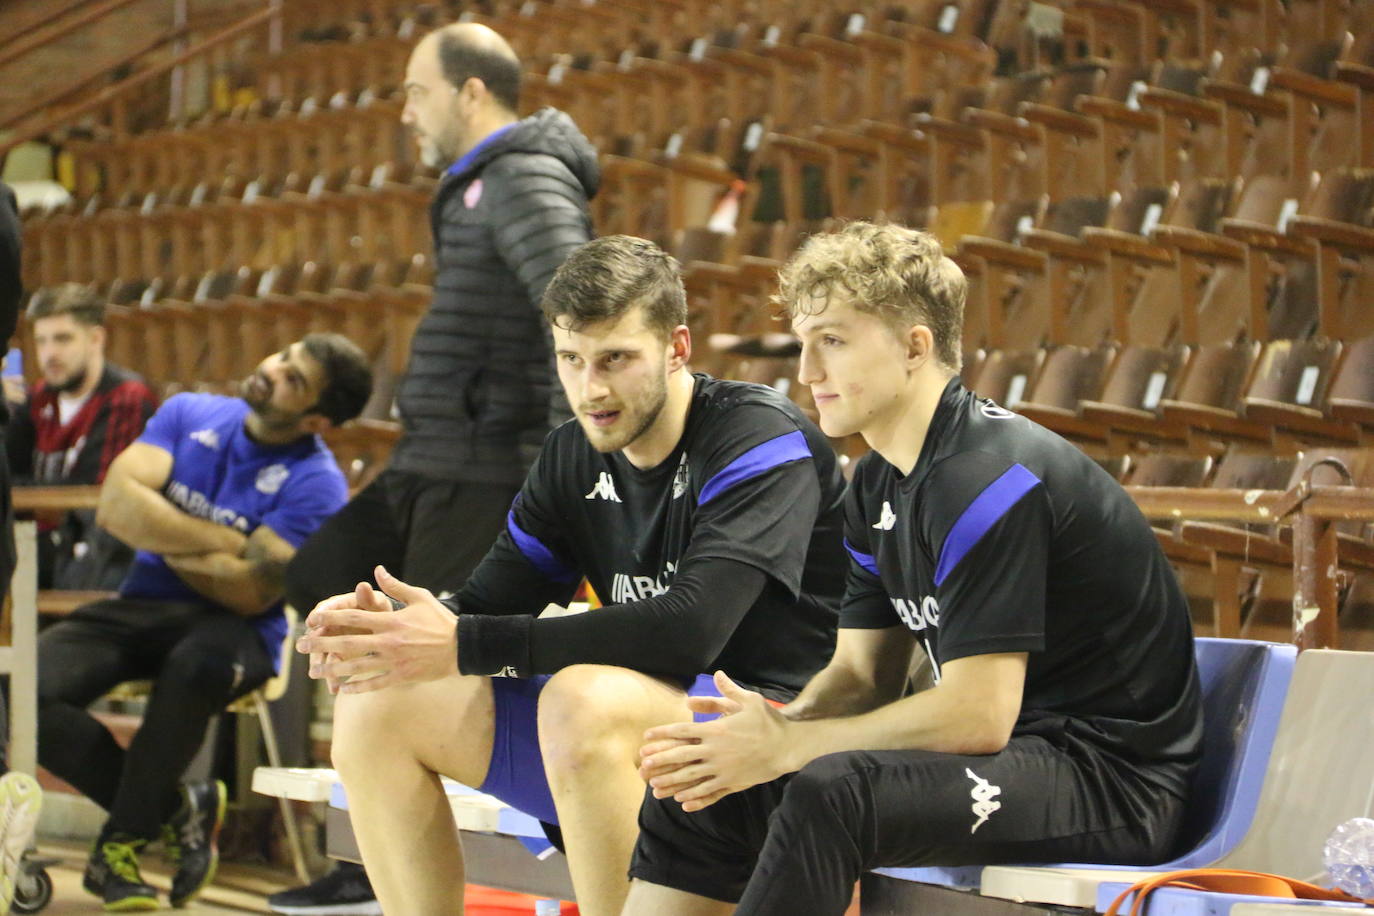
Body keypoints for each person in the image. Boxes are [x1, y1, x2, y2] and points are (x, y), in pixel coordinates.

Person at [623, 222, 1205, 916]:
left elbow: (979, 715)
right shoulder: (877, 485)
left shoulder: (985, 479)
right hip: (1020, 758)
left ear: (914, 347)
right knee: (706, 790)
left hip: (1112, 778)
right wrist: (764, 735)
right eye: (804, 344)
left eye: (832, 341)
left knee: (831, 793)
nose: (807, 372)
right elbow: (863, 677)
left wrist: (790, 747)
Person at [295, 235, 846, 916]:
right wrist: (386, 633)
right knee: (380, 698)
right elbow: (485, 605)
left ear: (677, 347)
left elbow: (691, 629)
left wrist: (466, 640)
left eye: (616, 359)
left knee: (582, 698)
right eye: (572, 360)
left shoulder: (759, 438)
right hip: (634, 733)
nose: (592, 389)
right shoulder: (571, 457)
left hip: (778, 742)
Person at [271, 22, 598, 914]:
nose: (404, 112)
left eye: (416, 92)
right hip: (430, 458)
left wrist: (563, 476)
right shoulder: (474, 186)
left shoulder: (524, 174)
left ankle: (479, 850)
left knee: (419, 656)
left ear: (470, 93)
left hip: (488, 466)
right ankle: (373, 842)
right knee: (324, 583)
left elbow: (577, 306)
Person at [37, 334, 372, 912]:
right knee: (18, 694)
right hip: (141, 605)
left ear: (316, 419)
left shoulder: (318, 483)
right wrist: (226, 543)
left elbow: (247, 593)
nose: (273, 370)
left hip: (235, 630)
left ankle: (118, 849)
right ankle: (174, 809)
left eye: (294, 379)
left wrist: (157, 525)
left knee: (197, 665)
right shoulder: (189, 410)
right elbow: (116, 508)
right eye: (283, 357)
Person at [6, 283, 157, 589]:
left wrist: (27, 492)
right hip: (37, 546)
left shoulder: (126, 397)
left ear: (96, 339)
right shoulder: (35, 400)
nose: (50, 354)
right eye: (41, 341)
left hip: (98, 555)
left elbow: (94, 490)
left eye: (63, 339)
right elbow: (6, 474)